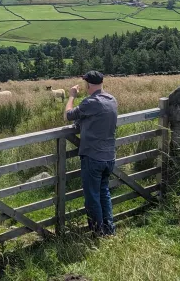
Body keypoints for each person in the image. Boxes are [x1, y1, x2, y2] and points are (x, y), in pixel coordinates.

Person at [64, 70, 118, 236]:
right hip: (109, 156)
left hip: (93, 157)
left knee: (92, 196)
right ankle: (109, 230)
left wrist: (72, 96)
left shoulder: (90, 102)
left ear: (88, 84)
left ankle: (97, 232)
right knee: (104, 192)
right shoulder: (112, 100)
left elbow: (68, 116)